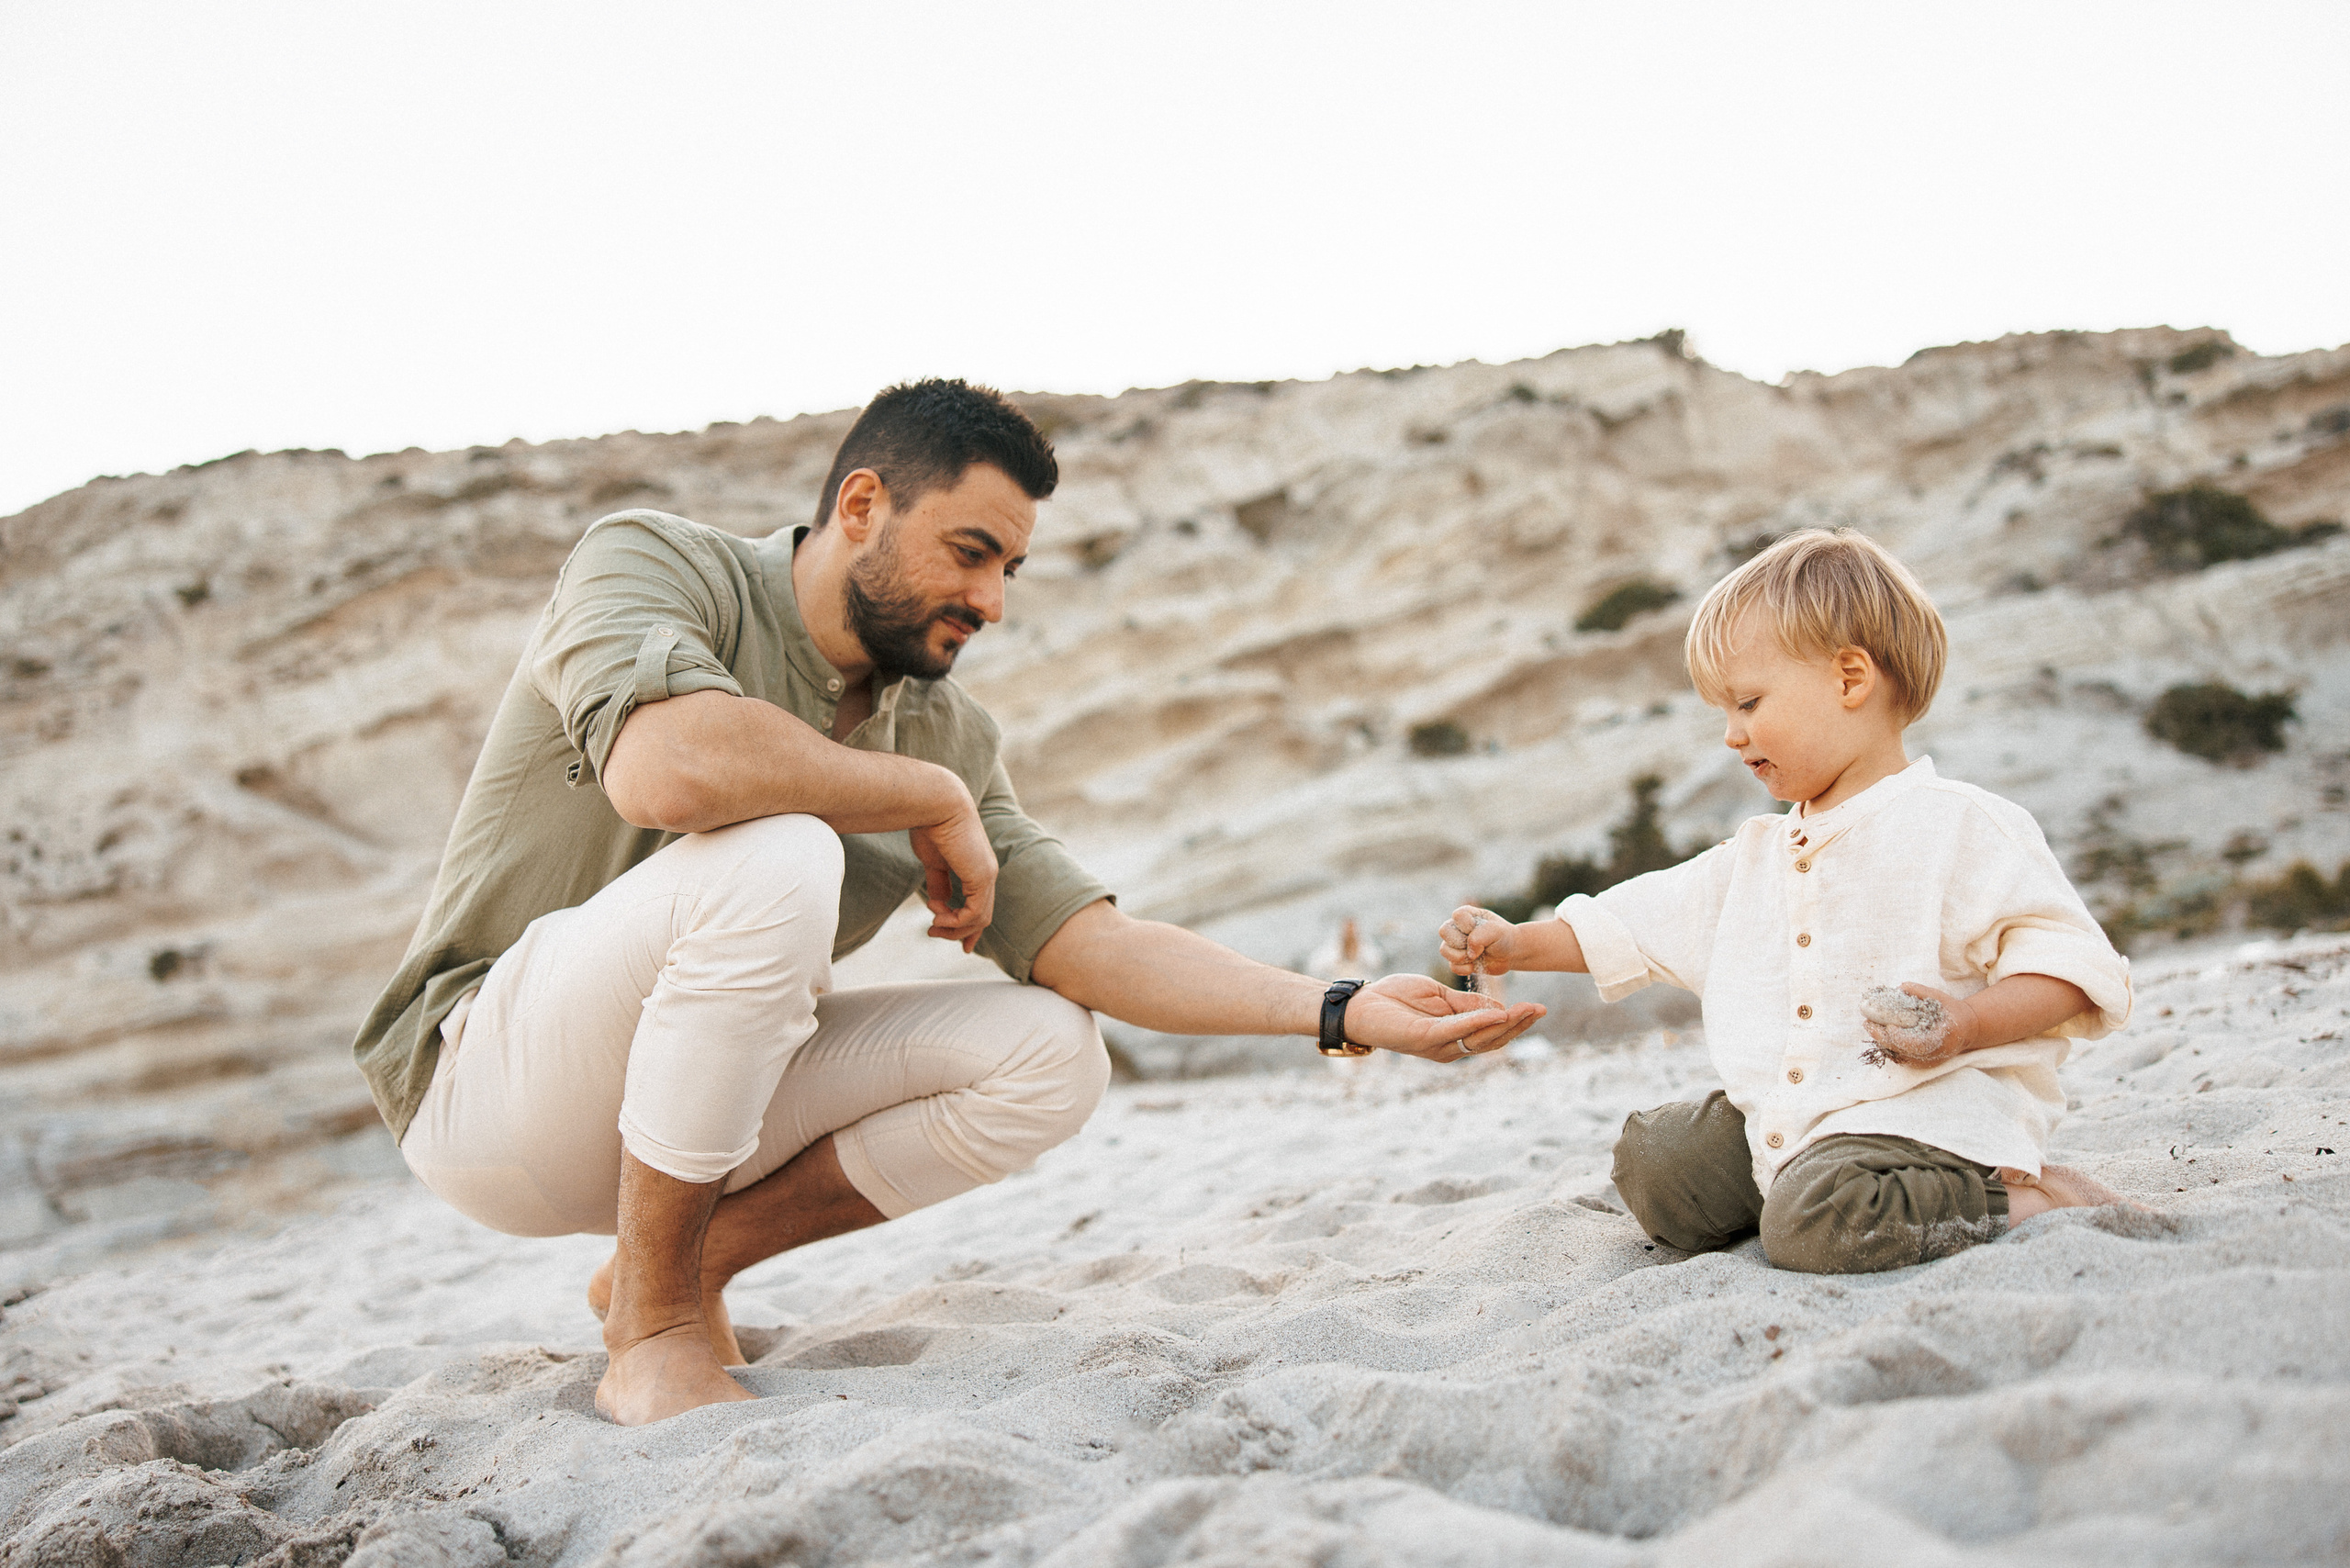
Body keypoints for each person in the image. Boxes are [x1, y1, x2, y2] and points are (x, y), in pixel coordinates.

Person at [353, 379, 1544, 1425]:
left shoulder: (950, 729)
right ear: (862, 507)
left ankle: (672, 1265)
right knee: (780, 853)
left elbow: (1093, 944)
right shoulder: (659, 562)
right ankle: (655, 1334)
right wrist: (920, 795)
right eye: (971, 552)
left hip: (685, 1132)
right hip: (485, 1090)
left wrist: (1343, 1008)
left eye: (1011, 568)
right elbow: (673, 772)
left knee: (1050, 1051)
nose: (994, 600)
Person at [1438, 529, 2134, 1274]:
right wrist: (1516, 944)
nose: (1732, 736)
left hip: (1925, 1121)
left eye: (1747, 702)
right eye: (1724, 713)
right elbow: (1636, 923)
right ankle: (1794, 1187)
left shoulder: (1961, 824)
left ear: (1849, 679)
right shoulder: (1757, 855)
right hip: (1792, 1119)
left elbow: (2067, 971)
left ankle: (2028, 1198)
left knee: (1812, 1223)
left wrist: (1964, 1024)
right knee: (1657, 1164)